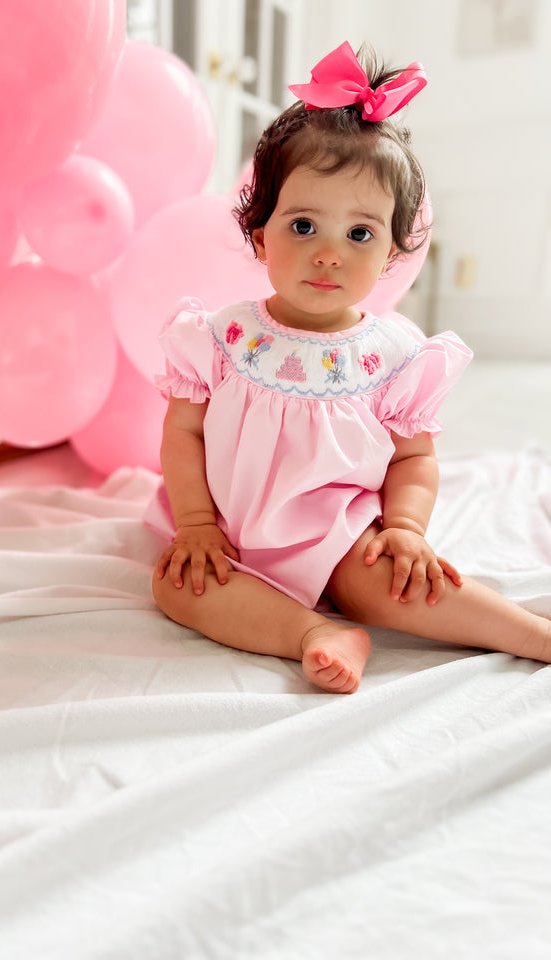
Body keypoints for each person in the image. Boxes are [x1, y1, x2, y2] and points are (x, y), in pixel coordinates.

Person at [146, 41, 551, 693]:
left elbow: (413, 459)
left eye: (359, 234)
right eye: (303, 225)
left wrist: (406, 529)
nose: (330, 254)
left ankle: (530, 633)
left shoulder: (393, 355)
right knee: (177, 588)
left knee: (400, 579)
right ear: (259, 234)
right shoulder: (220, 336)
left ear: (392, 252)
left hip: (338, 531)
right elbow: (183, 433)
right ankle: (316, 633)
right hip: (227, 529)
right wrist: (195, 523)